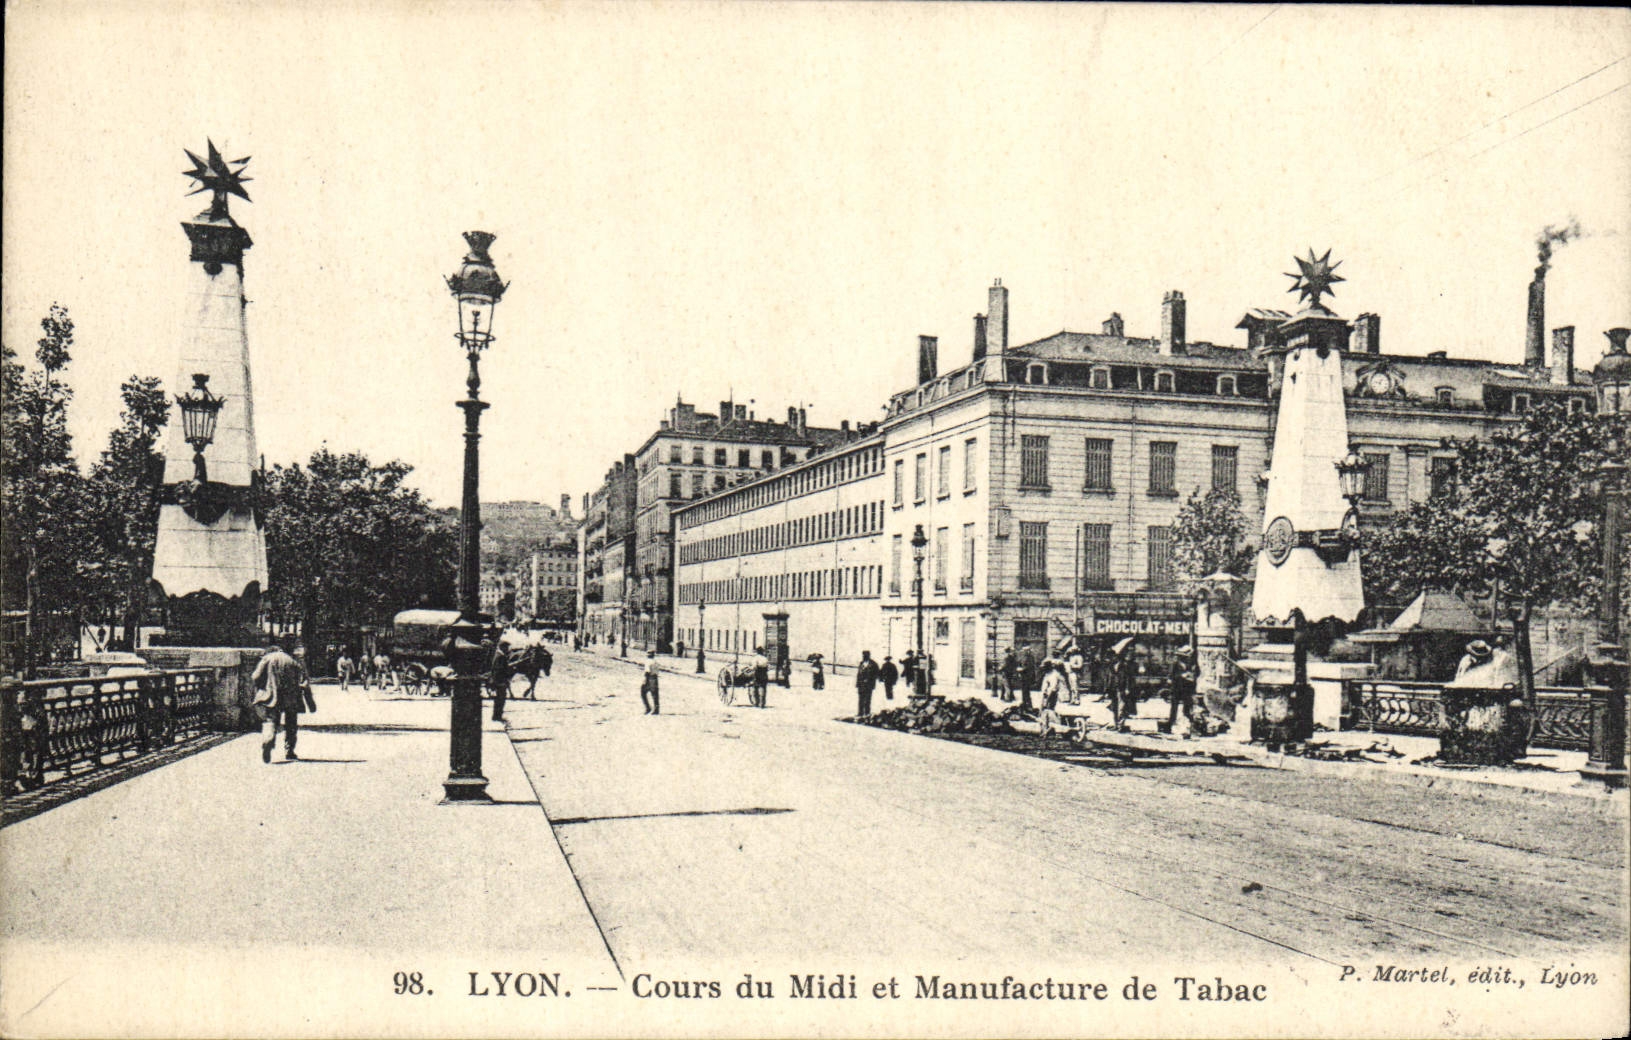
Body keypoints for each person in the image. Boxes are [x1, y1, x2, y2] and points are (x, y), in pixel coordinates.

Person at [253, 643, 313, 764]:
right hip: (291, 697)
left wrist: (262, 687)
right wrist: (310, 702)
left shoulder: (268, 658)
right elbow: (305, 681)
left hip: (272, 695)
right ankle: (289, 751)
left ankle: (268, 739)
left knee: (271, 720)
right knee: (291, 723)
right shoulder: (295, 661)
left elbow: (255, 676)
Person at [1162, 646, 1198, 736]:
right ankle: (1170, 725)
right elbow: (1171, 677)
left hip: (1187, 689)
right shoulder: (1175, 664)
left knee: (1187, 708)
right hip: (1177, 688)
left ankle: (1189, 726)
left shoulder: (1192, 664)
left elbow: (1197, 673)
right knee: (1174, 708)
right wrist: (1181, 676)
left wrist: (1192, 675)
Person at [1037, 658, 1066, 749]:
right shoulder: (1049, 674)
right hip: (1050, 694)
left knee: (1047, 712)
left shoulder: (1053, 675)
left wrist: (1046, 698)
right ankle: (1046, 730)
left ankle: (1050, 730)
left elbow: (1052, 688)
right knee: (1045, 712)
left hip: (1054, 695)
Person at [487, 636, 513, 722]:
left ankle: (497, 716)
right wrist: (503, 680)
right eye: (506, 647)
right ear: (502, 647)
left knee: (499, 700)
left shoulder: (498, 655)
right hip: (500, 682)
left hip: (499, 681)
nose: (507, 649)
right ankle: (497, 716)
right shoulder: (500, 656)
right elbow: (498, 670)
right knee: (500, 700)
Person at [855, 650, 880, 717]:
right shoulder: (861, 663)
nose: (864, 656)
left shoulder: (874, 664)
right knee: (860, 699)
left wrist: (870, 680)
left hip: (869, 685)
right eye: (863, 655)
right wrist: (857, 683)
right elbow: (859, 674)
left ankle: (866, 713)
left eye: (865, 655)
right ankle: (860, 713)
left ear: (869, 656)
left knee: (867, 699)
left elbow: (877, 674)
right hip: (861, 684)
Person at [1016, 647, 1038, 712]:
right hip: (1023, 677)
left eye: (1025, 650)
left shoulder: (1030, 658)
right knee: (1024, 691)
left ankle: (1028, 705)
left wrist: (1021, 669)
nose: (1024, 652)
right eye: (1024, 650)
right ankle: (1025, 703)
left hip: (1027, 677)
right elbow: (1021, 664)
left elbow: (1029, 667)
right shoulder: (1024, 657)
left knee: (1026, 691)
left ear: (1028, 651)